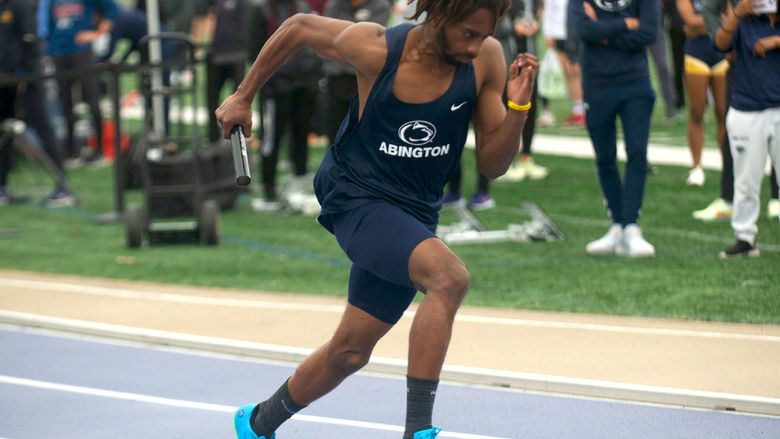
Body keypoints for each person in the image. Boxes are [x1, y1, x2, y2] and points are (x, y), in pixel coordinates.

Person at [216, 1, 537, 437]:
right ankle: (418, 431)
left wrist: (517, 110)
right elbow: (299, 26)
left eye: (483, 35)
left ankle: (257, 423)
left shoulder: (486, 59)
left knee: (349, 352)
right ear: (438, 18)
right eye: (467, 34)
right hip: (356, 196)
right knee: (448, 278)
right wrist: (242, 95)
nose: (475, 45)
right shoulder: (375, 49)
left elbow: (493, 164)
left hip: (416, 211)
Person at [570, 0, 660, 257]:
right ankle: (617, 225)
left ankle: (630, 226)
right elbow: (584, 31)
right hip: (597, 83)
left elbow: (648, 33)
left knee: (637, 151)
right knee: (604, 156)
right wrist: (624, 24)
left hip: (635, 82)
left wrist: (604, 32)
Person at [713, 0, 779, 257]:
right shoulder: (743, 17)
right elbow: (719, 44)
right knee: (746, 179)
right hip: (747, 108)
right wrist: (737, 13)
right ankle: (745, 237)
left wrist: (776, 41)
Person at [247, 0, 321, 205]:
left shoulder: (302, 8)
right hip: (275, 87)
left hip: (303, 85)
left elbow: (312, 45)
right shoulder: (262, 10)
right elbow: (254, 50)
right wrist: (272, 79)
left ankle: (299, 182)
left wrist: (310, 74)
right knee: (272, 138)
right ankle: (269, 188)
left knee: (301, 134)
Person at [1, 0, 74, 206]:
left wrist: (26, 75)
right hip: (5, 80)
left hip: (27, 80)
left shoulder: (21, 5)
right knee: (4, 130)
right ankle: (2, 187)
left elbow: (31, 44)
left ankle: (62, 187)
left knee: (42, 128)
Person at [39, 0, 118, 165]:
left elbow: (112, 9)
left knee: (91, 99)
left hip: (81, 51)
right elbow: (48, 24)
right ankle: (70, 150)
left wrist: (96, 33)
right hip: (59, 53)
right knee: (65, 102)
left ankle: (99, 150)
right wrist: (48, 50)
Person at [322, 0, 391, 145]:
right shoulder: (334, 6)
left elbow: (368, 46)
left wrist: (345, 52)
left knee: (365, 137)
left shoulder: (379, 6)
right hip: (336, 80)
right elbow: (326, 41)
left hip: (365, 80)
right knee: (335, 137)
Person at [677, 0, 728, 187]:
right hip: (696, 52)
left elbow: (732, 17)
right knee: (697, 112)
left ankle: (727, 166)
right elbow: (689, 20)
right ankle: (697, 167)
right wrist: (716, 22)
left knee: (723, 113)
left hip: (721, 53)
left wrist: (699, 25)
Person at [501, 0, 549, 180]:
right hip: (506, 62)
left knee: (529, 109)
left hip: (528, 61)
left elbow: (535, 14)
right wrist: (513, 29)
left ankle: (526, 157)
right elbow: (488, 26)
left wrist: (535, 25)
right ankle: (504, 162)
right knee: (506, 111)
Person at [206, 0, 250, 144]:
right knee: (212, 97)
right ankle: (213, 136)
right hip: (217, 54)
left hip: (236, 55)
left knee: (239, 98)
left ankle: (238, 135)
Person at [543, 0, 586, 126]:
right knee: (569, 73)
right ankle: (578, 110)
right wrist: (548, 33)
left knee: (578, 71)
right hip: (559, 33)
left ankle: (583, 109)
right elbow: (548, 11)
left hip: (576, 33)